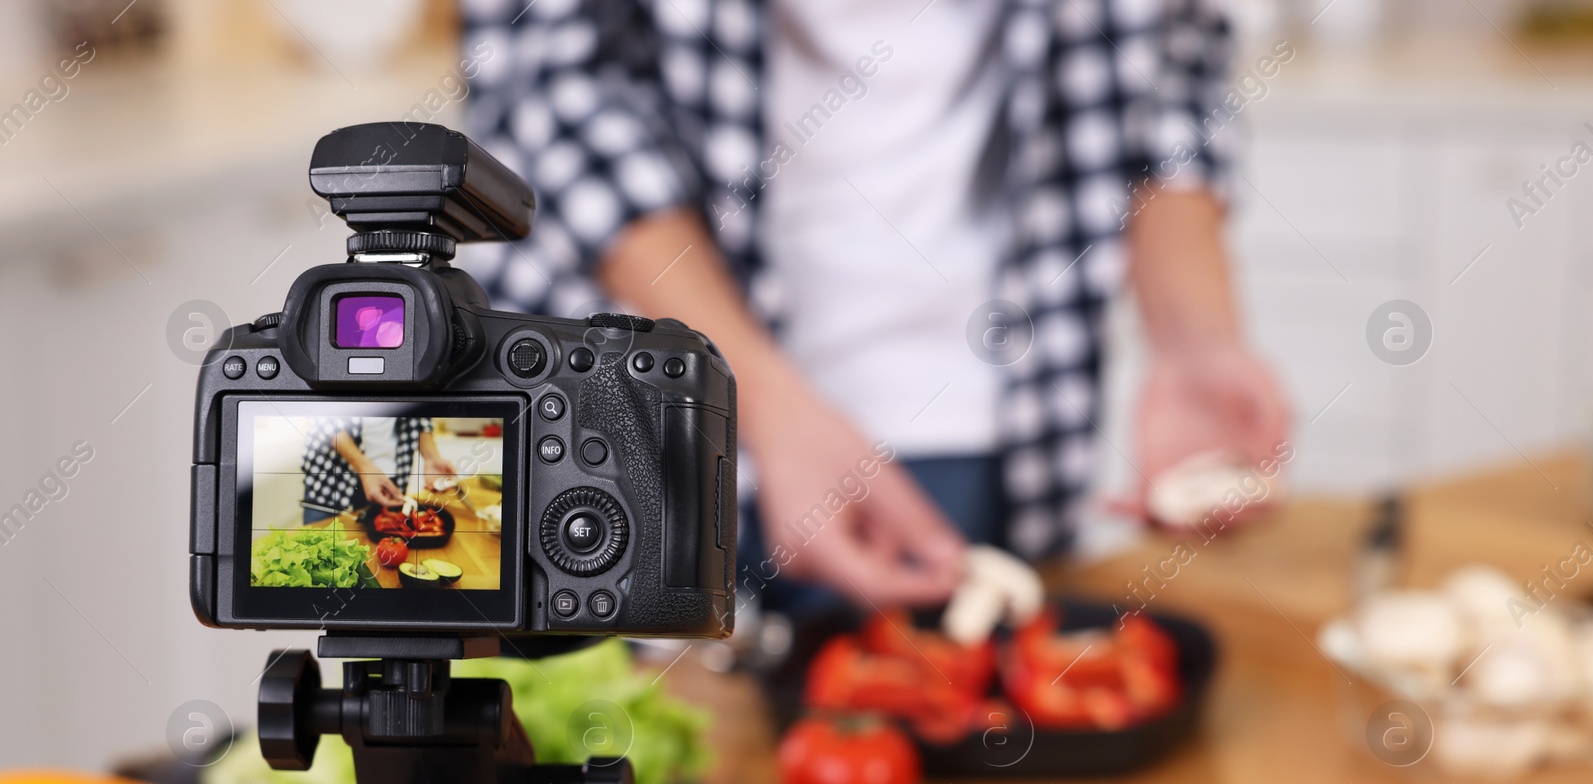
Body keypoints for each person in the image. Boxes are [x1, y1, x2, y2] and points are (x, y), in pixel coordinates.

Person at [461, 0, 1289, 609]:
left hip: (970, 410)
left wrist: (1192, 338)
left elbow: (1169, 59)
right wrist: (758, 405)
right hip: (622, 397)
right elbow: (545, 87)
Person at [301, 416, 457, 524]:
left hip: (391, 481)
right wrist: (363, 466)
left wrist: (431, 457)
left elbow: (421, 414)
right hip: (331, 483)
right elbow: (324, 418)